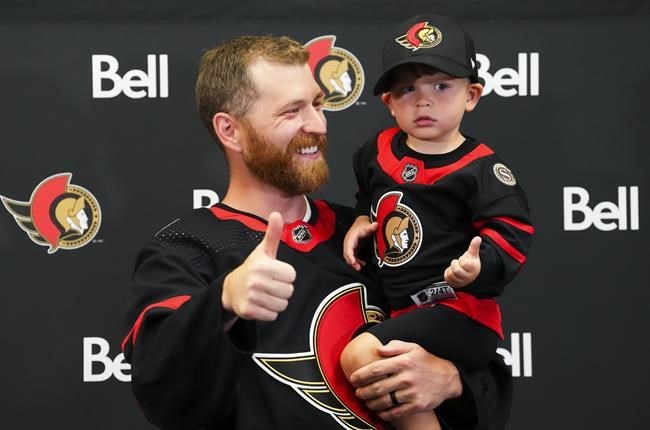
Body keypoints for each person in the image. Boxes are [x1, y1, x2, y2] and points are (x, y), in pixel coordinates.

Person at [122, 34, 512, 430]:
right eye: (291, 111)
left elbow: (482, 364)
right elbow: (161, 392)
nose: (318, 124)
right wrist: (222, 302)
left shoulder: (371, 232)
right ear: (230, 131)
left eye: (318, 104)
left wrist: (450, 382)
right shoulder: (187, 250)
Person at [341, 15, 534, 430]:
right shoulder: (375, 151)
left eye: (441, 86)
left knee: (362, 356)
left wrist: (480, 267)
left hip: (460, 312)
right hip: (403, 311)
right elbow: (367, 195)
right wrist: (360, 216)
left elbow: (512, 231)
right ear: (389, 102)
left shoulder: (482, 170)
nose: (423, 100)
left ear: (473, 95)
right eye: (408, 88)